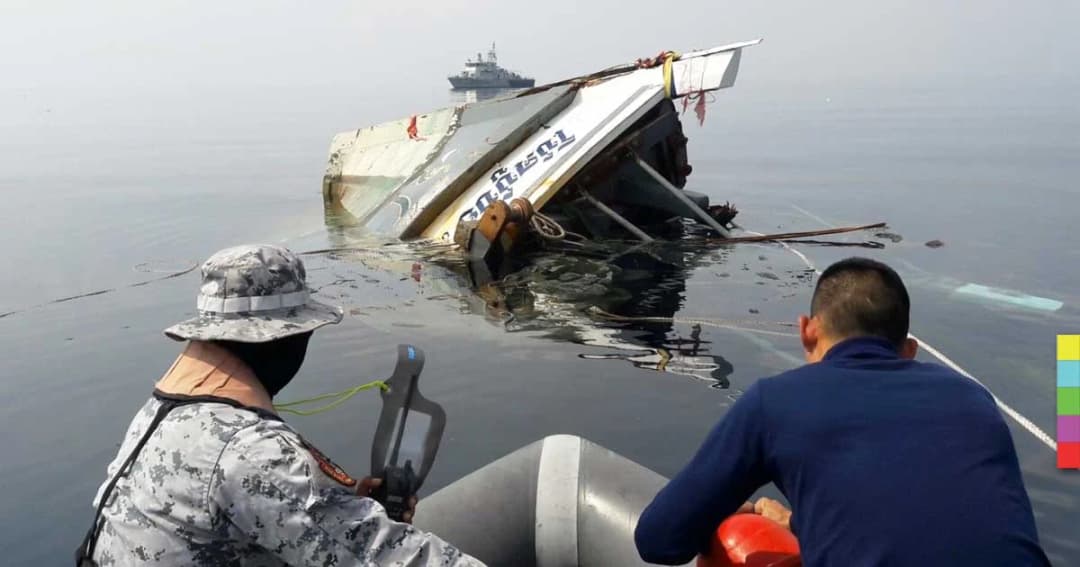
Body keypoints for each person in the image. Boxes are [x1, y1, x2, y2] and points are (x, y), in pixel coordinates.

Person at [77, 244, 483, 566]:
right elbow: (386, 558)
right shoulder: (249, 451)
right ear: (280, 340)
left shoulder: (161, 412)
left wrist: (342, 508)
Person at [634, 257, 1050, 566]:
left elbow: (658, 540)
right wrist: (800, 523)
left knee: (735, 534)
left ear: (807, 331)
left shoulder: (773, 402)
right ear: (909, 351)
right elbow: (925, 513)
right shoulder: (972, 398)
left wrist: (736, 516)